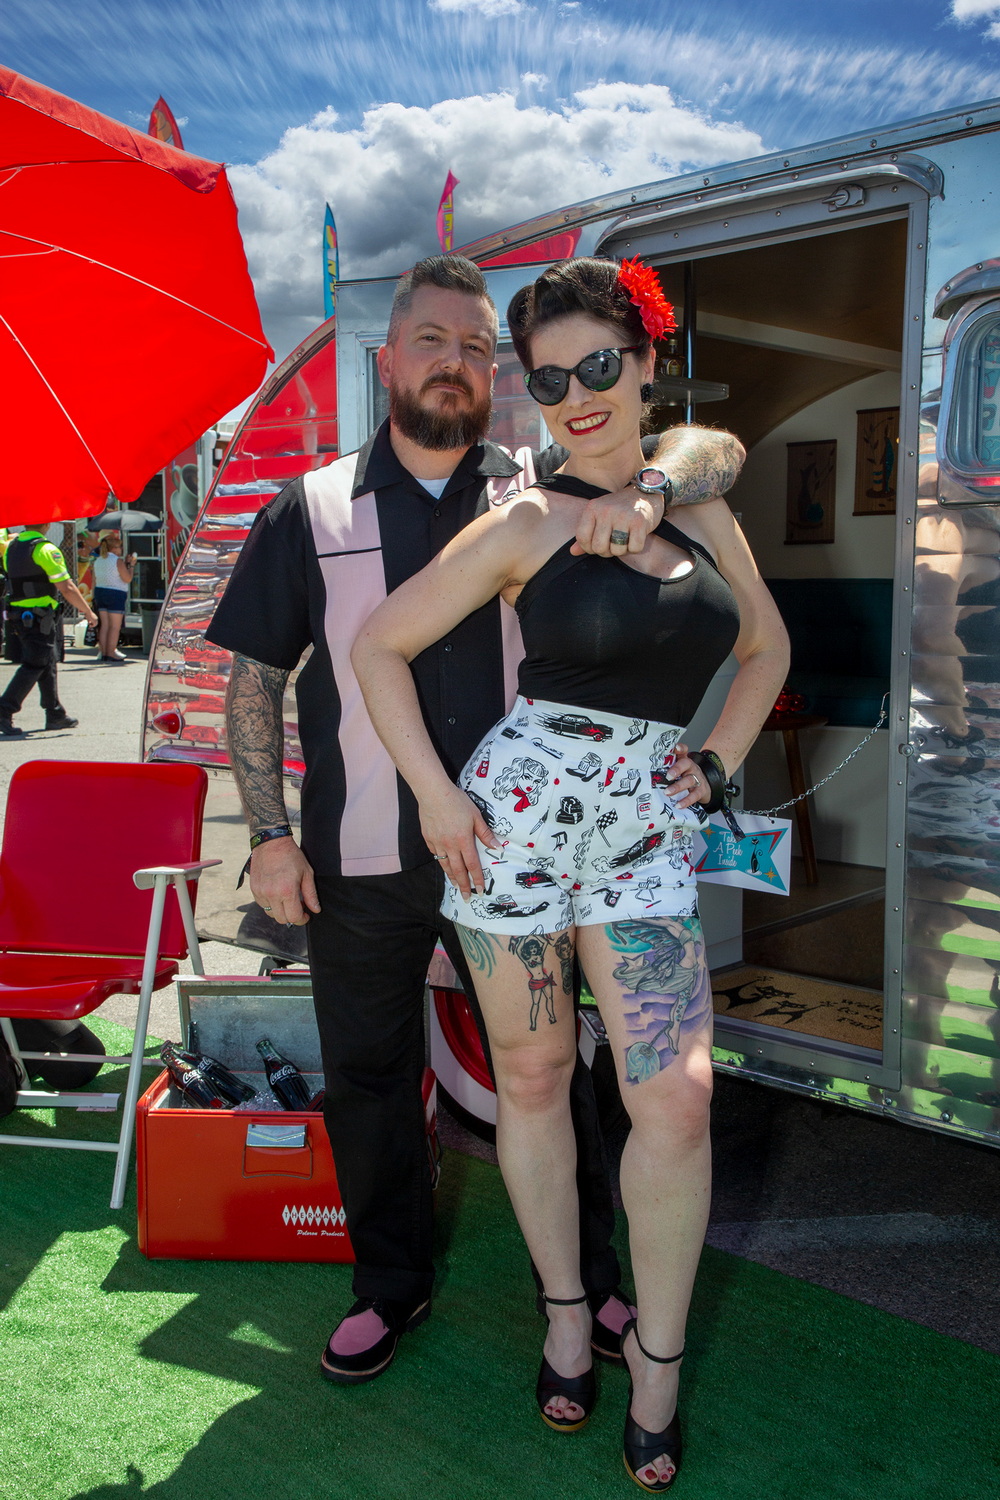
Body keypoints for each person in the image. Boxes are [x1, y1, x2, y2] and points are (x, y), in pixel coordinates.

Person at [206, 254, 747, 1391]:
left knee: (554, 1070)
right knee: (369, 1072)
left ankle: (591, 1285)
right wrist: (267, 832)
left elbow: (706, 452)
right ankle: (388, 1285)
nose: (453, 363)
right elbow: (254, 677)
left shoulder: (546, 482)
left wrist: (652, 488)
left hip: (521, 852)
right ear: (387, 361)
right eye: (430, 341)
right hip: (363, 846)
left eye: (473, 347)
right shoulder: (310, 506)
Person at [352, 256, 789, 1490]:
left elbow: (765, 650)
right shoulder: (525, 520)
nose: (575, 397)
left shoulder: (698, 505)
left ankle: (656, 1362)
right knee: (535, 1079)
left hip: (648, 833)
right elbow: (376, 647)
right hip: (516, 829)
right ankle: (561, 1314)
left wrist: (717, 759)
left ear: (646, 362)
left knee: (676, 1100)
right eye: (546, 382)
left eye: (598, 366)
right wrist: (437, 796)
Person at [0, 525, 98, 736]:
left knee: (48, 662)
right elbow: (67, 587)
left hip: (20, 616)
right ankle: (4, 709)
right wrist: (88, 612)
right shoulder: (45, 549)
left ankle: (55, 714)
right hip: (39, 617)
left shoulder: (12, 547)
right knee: (35, 663)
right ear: (46, 524)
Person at [90, 533, 135, 663]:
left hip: (100, 592)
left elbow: (95, 579)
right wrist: (131, 565)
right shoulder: (117, 560)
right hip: (116, 593)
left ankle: (103, 652)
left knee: (104, 625)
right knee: (115, 626)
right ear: (114, 548)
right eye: (120, 547)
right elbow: (127, 578)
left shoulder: (98, 560)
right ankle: (111, 652)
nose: (121, 550)